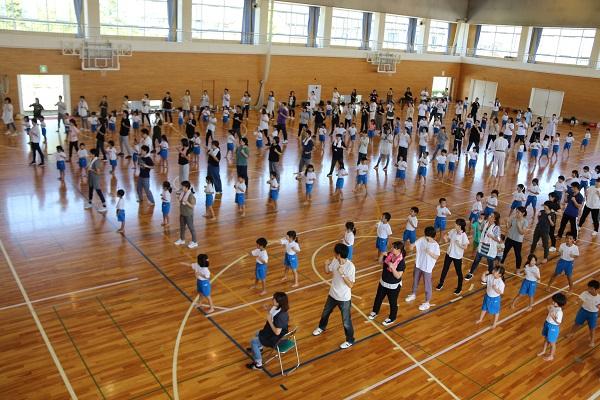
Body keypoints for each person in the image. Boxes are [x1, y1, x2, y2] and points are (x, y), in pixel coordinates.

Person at [312, 243, 355, 349]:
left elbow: (351, 285)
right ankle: (321, 327)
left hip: (344, 298)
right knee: (325, 313)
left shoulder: (350, 266)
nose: (334, 254)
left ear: (339, 254)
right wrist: (326, 264)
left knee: (346, 321)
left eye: (335, 253)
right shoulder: (335, 261)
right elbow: (327, 272)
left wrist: (342, 274)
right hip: (332, 294)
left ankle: (350, 340)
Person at [247, 292, 289, 370]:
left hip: (276, 338)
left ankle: (258, 364)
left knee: (253, 342)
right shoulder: (277, 307)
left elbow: (277, 332)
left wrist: (269, 321)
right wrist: (268, 309)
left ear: (278, 302)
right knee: (257, 333)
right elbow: (272, 313)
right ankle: (259, 348)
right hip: (270, 331)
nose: (272, 299)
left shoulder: (281, 316)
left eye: (274, 299)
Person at [369, 241, 406, 326]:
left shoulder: (401, 262)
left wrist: (392, 268)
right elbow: (380, 262)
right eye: (392, 247)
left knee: (392, 302)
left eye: (393, 248)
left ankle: (392, 317)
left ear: (399, 250)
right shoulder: (389, 255)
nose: (391, 249)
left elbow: (398, 276)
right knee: (378, 298)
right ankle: (375, 311)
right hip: (383, 282)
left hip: (393, 286)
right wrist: (382, 255)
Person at [405, 226, 441, 311]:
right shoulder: (422, 239)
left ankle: (427, 302)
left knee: (427, 285)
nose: (426, 238)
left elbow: (436, 257)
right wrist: (411, 246)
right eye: (425, 236)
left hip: (427, 268)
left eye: (428, 237)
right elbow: (413, 245)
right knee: (415, 280)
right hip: (418, 264)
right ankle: (413, 294)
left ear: (433, 236)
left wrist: (429, 252)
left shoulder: (436, 245)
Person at [465, 211, 502, 280]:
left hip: (489, 249)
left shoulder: (496, 228)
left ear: (494, 219)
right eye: (490, 215)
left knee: (490, 264)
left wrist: (492, 237)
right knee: (476, 260)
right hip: (482, 246)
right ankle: (471, 273)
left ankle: (489, 277)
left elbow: (499, 240)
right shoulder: (486, 223)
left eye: (491, 216)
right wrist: (481, 229)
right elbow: (484, 231)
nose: (489, 216)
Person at [436, 219, 469, 295]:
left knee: (459, 272)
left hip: (457, 256)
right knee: (445, 269)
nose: (454, 225)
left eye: (456, 224)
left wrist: (459, 244)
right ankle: (441, 283)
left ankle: (459, 288)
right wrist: (445, 238)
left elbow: (465, 247)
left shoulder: (463, 235)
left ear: (459, 226)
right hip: (449, 253)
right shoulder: (453, 231)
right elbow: (447, 237)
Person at [567, 280, 600, 347]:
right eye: (588, 288)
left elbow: (598, 306)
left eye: (591, 289)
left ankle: (592, 341)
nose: (589, 290)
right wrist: (576, 302)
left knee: (592, 328)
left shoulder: (599, 298)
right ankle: (571, 333)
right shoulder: (585, 293)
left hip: (593, 314)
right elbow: (579, 299)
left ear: (596, 289)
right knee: (577, 323)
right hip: (583, 311)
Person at [538, 293, 567, 362]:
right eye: (553, 301)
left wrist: (553, 316)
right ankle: (544, 350)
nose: (553, 302)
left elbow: (558, 322)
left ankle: (551, 356)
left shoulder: (559, 312)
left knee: (552, 343)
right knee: (546, 338)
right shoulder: (554, 306)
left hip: (553, 327)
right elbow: (548, 306)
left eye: (555, 302)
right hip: (547, 323)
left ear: (559, 303)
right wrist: (549, 309)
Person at [502, 206, 528, 273]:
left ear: (523, 213)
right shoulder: (513, 218)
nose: (516, 213)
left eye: (518, 212)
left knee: (518, 255)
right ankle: (501, 264)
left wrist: (518, 225)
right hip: (509, 238)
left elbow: (522, 232)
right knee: (504, 252)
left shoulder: (525, 221)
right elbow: (508, 227)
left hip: (518, 241)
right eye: (516, 212)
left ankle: (518, 269)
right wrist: (506, 222)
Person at [174, 181, 198, 249]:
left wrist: (187, 202)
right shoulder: (183, 193)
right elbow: (181, 201)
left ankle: (195, 242)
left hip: (188, 215)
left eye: (183, 187)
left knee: (191, 228)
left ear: (187, 187)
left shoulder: (190, 196)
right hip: (182, 213)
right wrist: (178, 197)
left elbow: (192, 206)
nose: (182, 188)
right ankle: (182, 239)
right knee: (182, 227)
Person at [84, 149, 107, 213]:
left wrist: (91, 169)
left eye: (90, 153)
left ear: (94, 154)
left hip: (95, 179)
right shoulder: (92, 159)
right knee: (90, 190)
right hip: (91, 178)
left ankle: (104, 205)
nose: (89, 154)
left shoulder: (96, 161)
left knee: (98, 191)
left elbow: (98, 172)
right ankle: (90, 202)